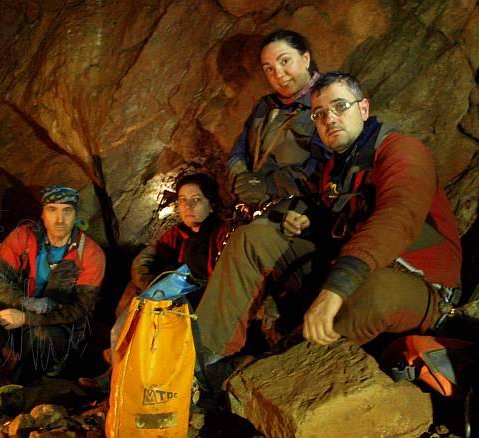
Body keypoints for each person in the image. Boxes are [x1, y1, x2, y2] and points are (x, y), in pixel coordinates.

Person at [196, 72, 462, 360]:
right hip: (353, 269)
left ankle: (281, 366)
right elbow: (323, 209)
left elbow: (398, 216)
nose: (329, 119)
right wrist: (299, 218)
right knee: (253, 239)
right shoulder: (335, 169)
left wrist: (337, 287)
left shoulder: (401, 151)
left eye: (340, 106)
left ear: (363, 108)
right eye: (320, 114)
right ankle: (204, 356)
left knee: (372, 293)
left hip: (418, 283)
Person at [0, 185, 106, 383]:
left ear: (75, 215)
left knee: (41, 337)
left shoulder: (90, 254)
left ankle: (19, 385)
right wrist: (24, 302)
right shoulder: (24, 236)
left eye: (67, 211)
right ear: (43, 214)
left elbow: (79, 309)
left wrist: (27, 318)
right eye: (52, 210)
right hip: (16, 311)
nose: (59, 219)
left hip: (55, 326)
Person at [228, 29, 322, 206]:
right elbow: (239, 149)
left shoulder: (326, 102)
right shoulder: (265, 106)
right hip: (256, 203)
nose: (278, 74)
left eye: (284, 61)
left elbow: (325, 166)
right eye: (269, 69)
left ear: (306, 59)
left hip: (300, 206)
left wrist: (269, 185)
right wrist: (241, 179)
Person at [116, 173, 229, 314]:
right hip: (168, 303)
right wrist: (150, 284)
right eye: (183, 200)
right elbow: (147, 260)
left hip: (205, 307)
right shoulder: (175, 234)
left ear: (211, 205)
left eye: (196, 199)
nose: (188, 206)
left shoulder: (223, 236)